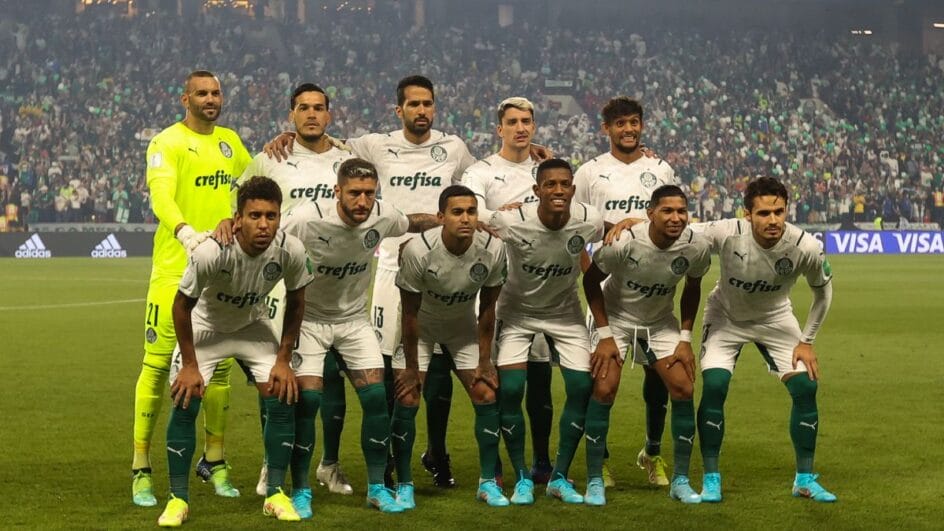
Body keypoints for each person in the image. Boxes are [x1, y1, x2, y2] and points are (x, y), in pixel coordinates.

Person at [280, 157, 439, 515]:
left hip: (353, 321)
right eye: (354, 193)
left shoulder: (381, 215)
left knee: (375, 400)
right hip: (310, 321)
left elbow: (411, 221)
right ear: (337, 191)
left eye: (369, 193)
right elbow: (270, 232)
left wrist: (447, 221)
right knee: (308, 403)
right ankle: (302, 489)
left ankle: (377, 488)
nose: (363, 202)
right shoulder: (307, 218)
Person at [157, 176, 314, 527]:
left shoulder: (291, 250)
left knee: (282, 393)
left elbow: (298, 301)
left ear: (279, 216)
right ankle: (177, 499)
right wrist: (191, 365)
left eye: (271, 216)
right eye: (255, 215)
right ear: (237, 217)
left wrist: (284, 360)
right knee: (186, 396)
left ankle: (274, 493)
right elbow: (181, 307)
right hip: (205, 329)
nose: (263, 224)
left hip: (251, 326)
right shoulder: (212, 251)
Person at [132, 70, 252, 507]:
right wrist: (184, 231)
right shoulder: (167, 142)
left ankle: (214, 462)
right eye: (201, 93)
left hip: (221, 273)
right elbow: (160, 196)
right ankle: (141, 468)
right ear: (185, 97)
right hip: (174, 269)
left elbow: (256, 186)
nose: (210, 99)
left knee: (218, 370)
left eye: (216, 92)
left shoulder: (230, 142)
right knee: (160, 364)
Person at [233, 83, 355, 498]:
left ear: (329, 115)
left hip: (337, 283)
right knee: (274, 377)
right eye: (303, 108)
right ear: (291, 115)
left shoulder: (348, 158)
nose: (311, 115)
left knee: (333, 378)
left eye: (319, 108)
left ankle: (330, 465)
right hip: (280, 282)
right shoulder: (270, 158)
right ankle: (272, 463)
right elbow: (238, 206)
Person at [694, 176, 835, 503]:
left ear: (786, 210)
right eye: (763, 213)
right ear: (747, 214)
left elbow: (823, 293)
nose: (773, 220)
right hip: (726, 315)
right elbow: (680, 229)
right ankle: (712, 478)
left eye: (779, 212)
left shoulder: (805, 246)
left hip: (775, 317)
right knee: (714, 386)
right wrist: (636, 222)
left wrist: (807, 340)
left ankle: (804, 478)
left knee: (806, 387)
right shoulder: (727, 231)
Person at [582, 185, 711, 505]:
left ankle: (680, 480)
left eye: (682, 211)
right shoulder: (625, 241)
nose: (676, 217)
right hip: (615, 318)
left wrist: (684, 339)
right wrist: (605, 333)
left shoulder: (696, 246)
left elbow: (692, 288)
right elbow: (590, 281)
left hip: (659, 321)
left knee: (683, 387)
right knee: (604, 388)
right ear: (650, 213)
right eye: (667, 211)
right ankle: (595, 477)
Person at [574, 96, 678, 487]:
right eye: (620, 124)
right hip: (607, 295)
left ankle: (651, 453)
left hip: (654, 295)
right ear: (606, 129)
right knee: (600, 381)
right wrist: (591, 272)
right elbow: (577, 227)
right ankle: (598, 459)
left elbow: (672, 217)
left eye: (634, 122)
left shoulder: (660, 168)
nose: (629, 129)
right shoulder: (589, 173)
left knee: (661, 378)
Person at [488, 158, 604, 505]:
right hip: (516, 313)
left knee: (582, 387)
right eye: (550, 185)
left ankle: (558, 476)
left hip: (564, 313)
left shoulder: (589, 219)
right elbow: (476, 229)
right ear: (536, 190)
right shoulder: (510, 220)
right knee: (510, 390)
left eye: (564, 184)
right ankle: (522, 477)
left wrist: (628, 222)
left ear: (572, 188)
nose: (558, 190)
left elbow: (605, 234)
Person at [393, 185, 508, 508]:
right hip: (422, 330)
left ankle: (488, 483)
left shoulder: (493, 249)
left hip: (462, 328)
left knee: (485, 392)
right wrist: (413, 369)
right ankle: (404, 483)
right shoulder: (419, 251)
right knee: (408, 396)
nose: (466, 219)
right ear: (441, 217)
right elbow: (410, 314)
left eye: (471, 211)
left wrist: (485, 361)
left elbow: (488, 310)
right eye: (457, 212)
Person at [460, 96, 555, 483]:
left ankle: (543, 461)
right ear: (499, 129)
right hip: (496, 292)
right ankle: (497, 462)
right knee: (499, 384)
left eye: (527, 121)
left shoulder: (548, 169)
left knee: (541, 387)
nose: (520, 127)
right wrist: (511, 214)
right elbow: (473, 212)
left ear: (534, 127)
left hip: (542, 288)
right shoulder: (481, 171)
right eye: (512, 121)